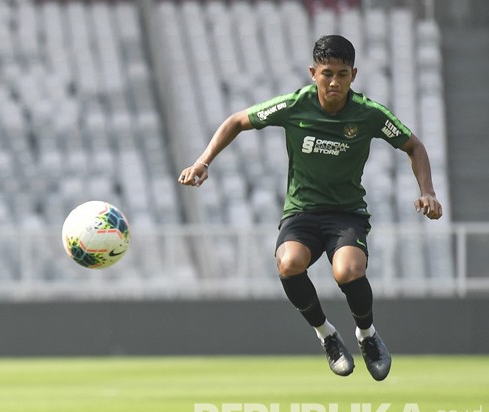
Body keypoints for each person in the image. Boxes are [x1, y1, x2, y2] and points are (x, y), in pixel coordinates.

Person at [178, 35, 443, 381]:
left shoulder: (368, 114)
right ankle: (327, 335)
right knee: (288, 264)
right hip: (302, 212)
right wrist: (203, 162)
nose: (335, 82)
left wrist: (428, 192)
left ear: (354, 75)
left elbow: (414, 146)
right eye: (327, 73)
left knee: (347, 272)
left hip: (346, 214)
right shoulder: (294, 105)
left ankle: (366, 335)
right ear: (313, 73)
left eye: (343, 74)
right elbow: (237, 121)